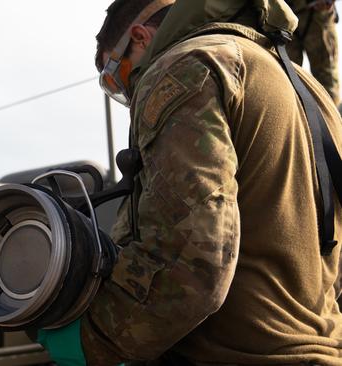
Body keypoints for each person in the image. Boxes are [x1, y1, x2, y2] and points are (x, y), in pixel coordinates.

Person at [38, 0, 342, 364]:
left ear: (138, 37)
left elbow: (190, 265)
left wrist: (92, 339)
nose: (127, 94)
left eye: (114, 76)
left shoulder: (186, 67)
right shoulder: (304, 87)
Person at [285, 0, 340, 105]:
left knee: (327, 84)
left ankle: (329, 120)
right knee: (287, 76)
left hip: (318, 13)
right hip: (286, 13)